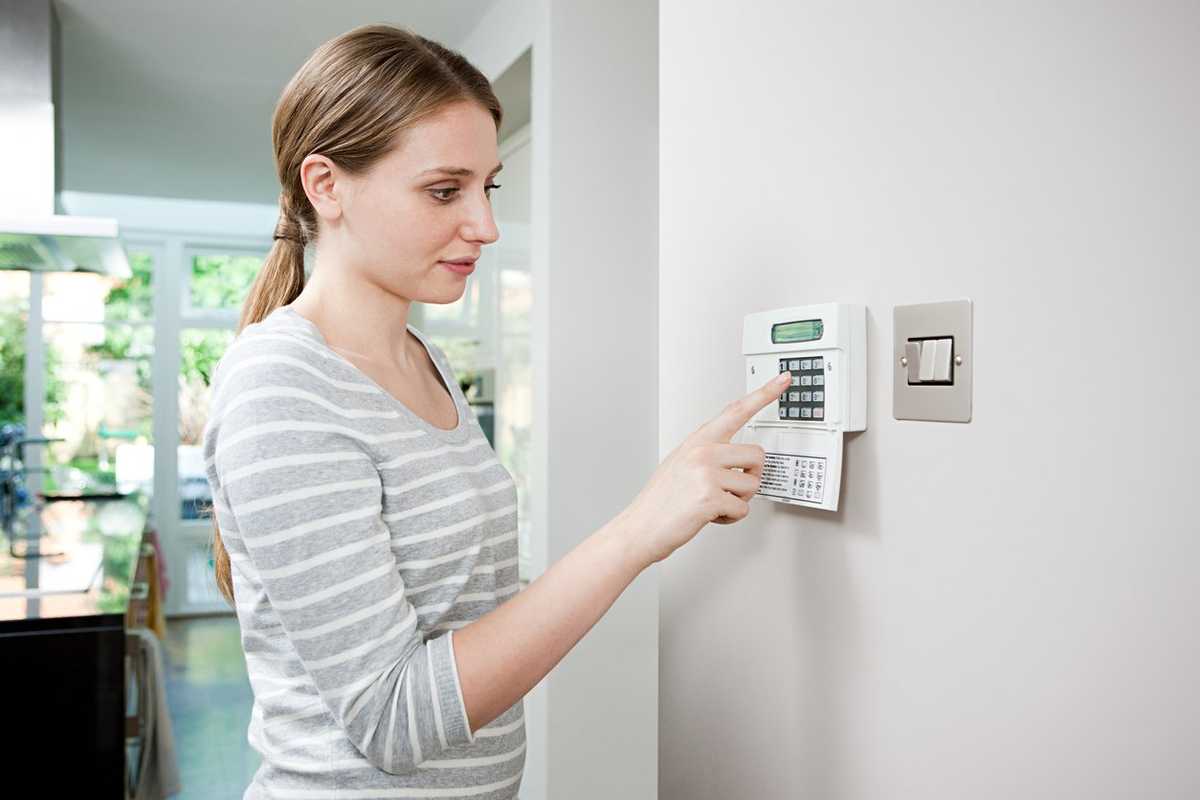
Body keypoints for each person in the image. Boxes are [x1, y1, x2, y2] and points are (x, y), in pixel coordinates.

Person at [201, 23, 789, 798]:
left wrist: (664, 512)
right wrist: (638, 532)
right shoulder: (280, 388)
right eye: (445, 190)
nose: (485, 225)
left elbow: (464, 612)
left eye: (489, 187)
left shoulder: (423, 360)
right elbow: (393, 719)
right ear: (327, 185)